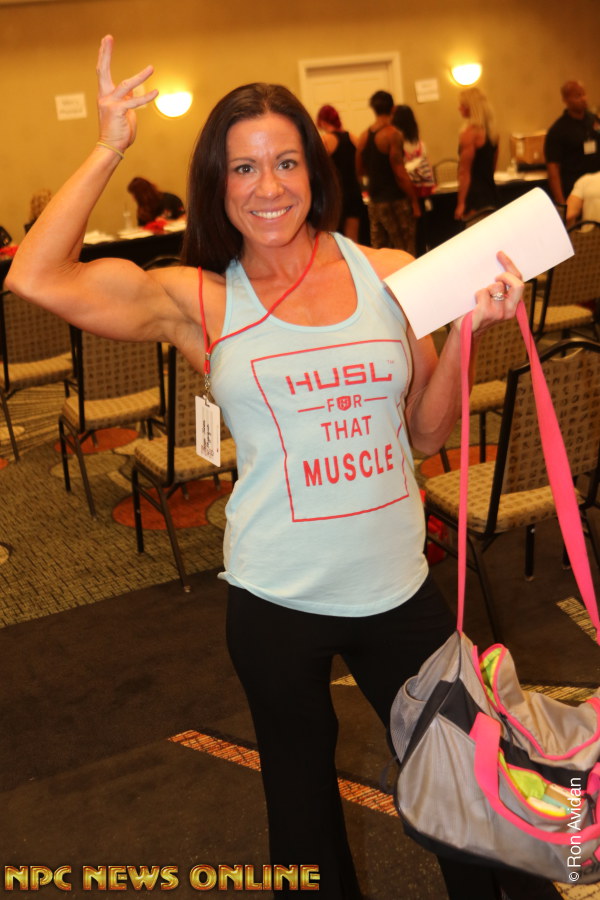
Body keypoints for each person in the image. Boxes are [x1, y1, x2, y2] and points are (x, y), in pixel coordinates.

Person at [7, 35, 561, 900]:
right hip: (277, 600)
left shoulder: (389, 275)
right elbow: (36, 277)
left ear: (314, 170)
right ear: (217, 184)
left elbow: (424, 436)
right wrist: (110, 143)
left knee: (472, 797)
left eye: (286, 162)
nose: (268, 186)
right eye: (244, 168)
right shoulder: (198, 298)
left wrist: (466, 336)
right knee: (302, 819)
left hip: (400, 589)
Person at [356, 90, 421, 254]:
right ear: (393, 108)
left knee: (380, 252)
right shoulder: (393, 135)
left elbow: (359, 169)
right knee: (405, 250)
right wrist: (414, 201)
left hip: (374, 201)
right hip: (395, 201)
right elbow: (399, 172)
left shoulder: (363, 136)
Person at [544, 81, 600, 207]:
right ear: (566, 100)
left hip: (597, 188)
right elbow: (553, 169)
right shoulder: (558, 130)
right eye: (577, 96)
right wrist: (561, 203)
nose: (583, 98)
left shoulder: (594, 120)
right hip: (574, 192)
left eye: (584, 94)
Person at [316, 104, 365, 242]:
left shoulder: (325, 141)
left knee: (333, 239)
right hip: (353, 192)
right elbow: (361, 163)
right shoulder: (352, 137)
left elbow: (318, 169)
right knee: (353, 241)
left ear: (322, 121)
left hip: (335, 194)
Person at [391, 104, 435, 254]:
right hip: (421, 193)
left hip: (404, 193)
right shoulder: (420, 144)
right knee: (421, 234)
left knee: (405, 238)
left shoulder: (396, 143)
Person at [455, 87, 499, 223]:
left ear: (470, 107)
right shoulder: (493, 133)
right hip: (491, 192)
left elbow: (464, 172)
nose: (459, 108)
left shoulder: (469, 134)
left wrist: (461, 203)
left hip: (474, 197)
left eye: (462, 105)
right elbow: (492, 167)